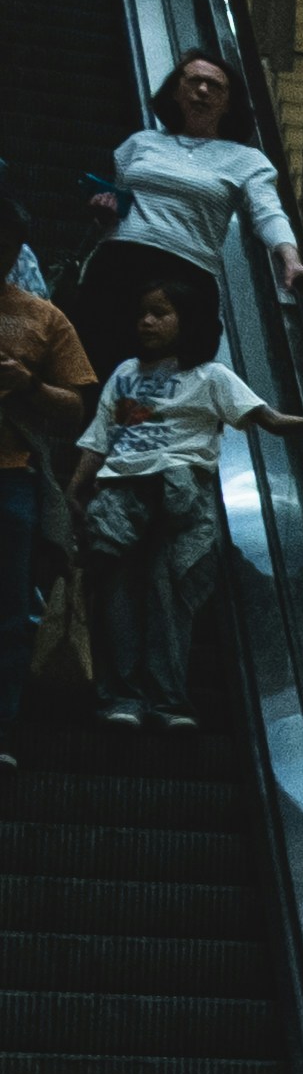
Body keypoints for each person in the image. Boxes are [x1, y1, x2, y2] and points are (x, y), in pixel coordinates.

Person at [65, 247, 303, 732]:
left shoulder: (210, 377)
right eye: (142, 313)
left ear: (189, 320)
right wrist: (76, 489)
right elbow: (100, 438)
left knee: (170, 594)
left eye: (160, 313)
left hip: (182, 493)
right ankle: (122, 695)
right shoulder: (124, 374)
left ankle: (166, 700)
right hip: (120, 491)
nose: (147, 322)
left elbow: (263, 416)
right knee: (118, 594)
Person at [108, 54, 303, 302]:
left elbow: (268, 213)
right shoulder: (140, 143)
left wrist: (291, 259)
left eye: (215, 86)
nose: (203, 90)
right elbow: (119, 207)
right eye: (194, 81)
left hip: (185, 276)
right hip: (119, 262)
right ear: (176, 92)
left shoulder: (246, 159)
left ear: (228, 104)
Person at [0, 204, 87, 753]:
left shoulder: (43, 318)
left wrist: (28, 384)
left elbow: (76, 406)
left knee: (9, 614)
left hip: (14, 479)